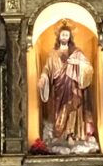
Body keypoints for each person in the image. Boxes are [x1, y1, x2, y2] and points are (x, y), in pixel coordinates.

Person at [38, 23, 98, 151]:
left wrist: (78, 63)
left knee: (74, 107)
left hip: (74, 86)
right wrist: (43, 78)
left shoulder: (77, 52)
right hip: (59, 88)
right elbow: (47, 69)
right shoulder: (53, 54)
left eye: (67, 34)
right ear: (59, 37)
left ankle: (73, 134)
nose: (64, 37)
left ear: (70, 37)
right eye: (62, 34)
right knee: (60, 111)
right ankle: (61, 134)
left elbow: (88, 67)